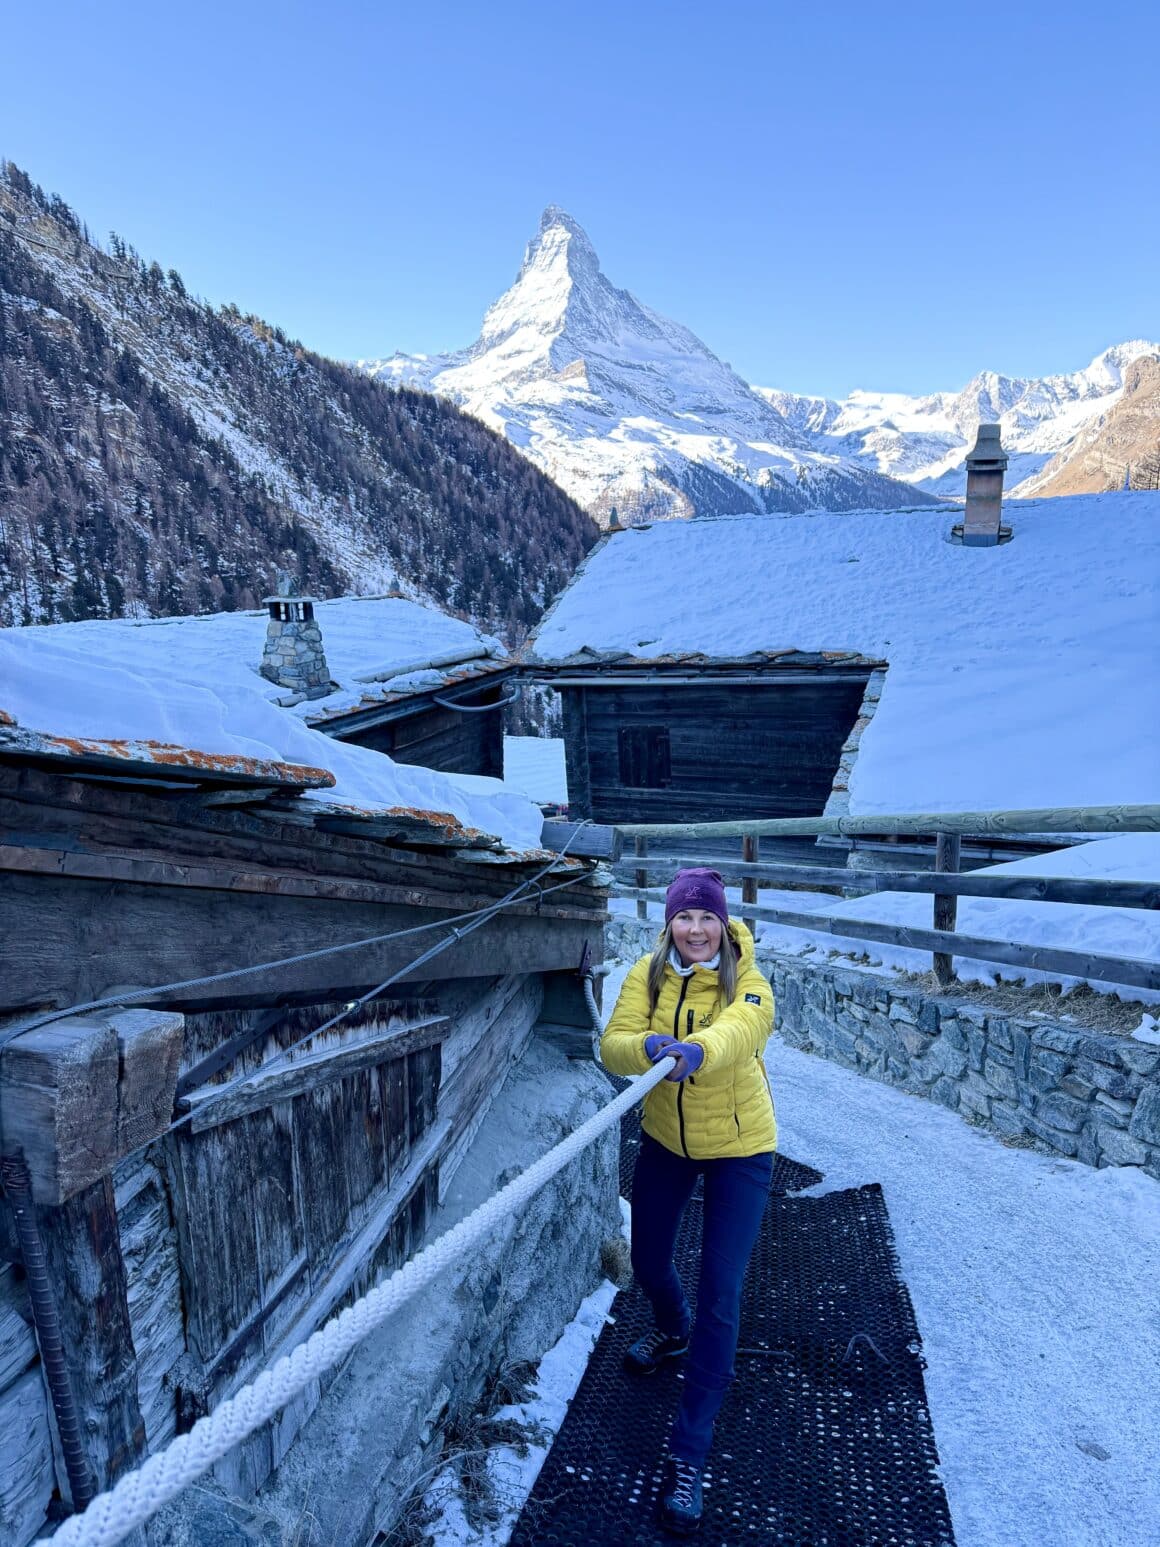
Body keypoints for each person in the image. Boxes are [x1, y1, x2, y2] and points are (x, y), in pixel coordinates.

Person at [601, 866, 777, 1536]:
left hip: (741, 1148)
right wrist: (644, 1045)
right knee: (647, 1261)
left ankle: (689, 1452)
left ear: (723, 921)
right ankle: (670, 1328)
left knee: (720, 1295)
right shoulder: (647, 975)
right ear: (669, 921)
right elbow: (611, 1043)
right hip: (666, 1142)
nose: (697, 929)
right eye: (685, 917)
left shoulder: (749, 980)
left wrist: (696, 1050)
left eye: (707, 917)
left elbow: (742, 1032)